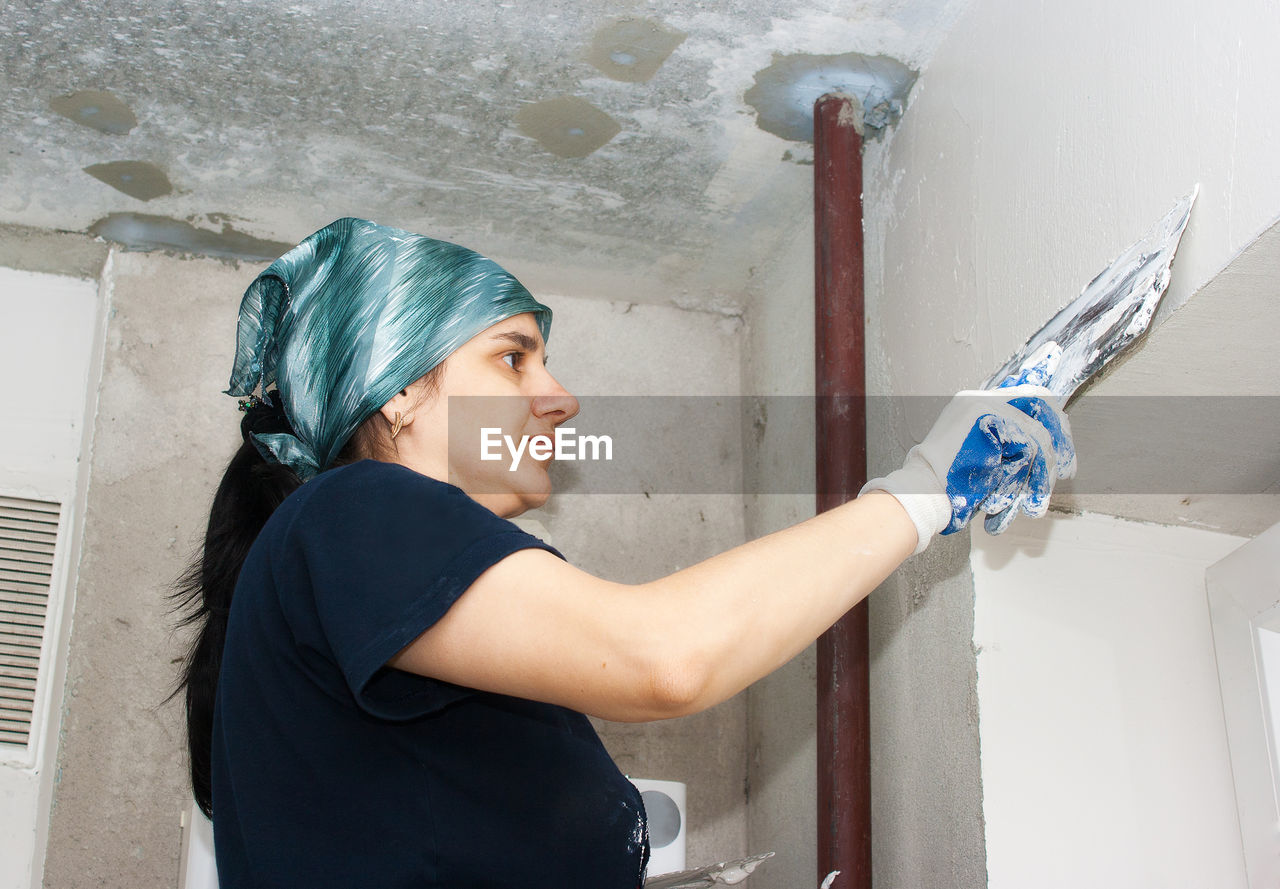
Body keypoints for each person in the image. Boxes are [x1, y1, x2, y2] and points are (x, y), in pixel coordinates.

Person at [171, 217, 1075, 889]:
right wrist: (925, 487)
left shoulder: (372, 583)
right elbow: (666, 658)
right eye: (514, 357)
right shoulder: (357, 509)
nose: (558, 396)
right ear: (401, 390)